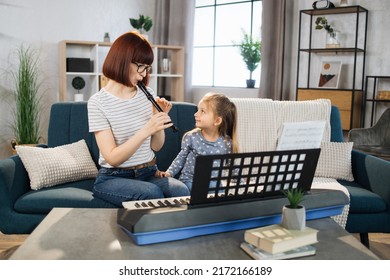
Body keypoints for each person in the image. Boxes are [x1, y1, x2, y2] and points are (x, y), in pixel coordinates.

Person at [87, 31, 190, 207]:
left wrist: (158, 118)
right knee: (152, 194)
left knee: (180, 191)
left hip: (149, 171)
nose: (144, 73)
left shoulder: (147, 94)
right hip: (113, 177)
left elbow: (156, 146)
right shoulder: (97, 102)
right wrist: (146, 130)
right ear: (123, 60)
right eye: (141, 66)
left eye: (147, 67)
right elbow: (112, 158)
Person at [156, 93, 239, 191]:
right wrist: (169, 173)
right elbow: (181, 158)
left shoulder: (227, 143)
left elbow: (232, 165)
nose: (196, 114)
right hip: (190, 181)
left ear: (217, 121)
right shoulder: (191, 137)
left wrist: (240, 182)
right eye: (198, 110)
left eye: (202, 111)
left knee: (219, 192)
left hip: (213, 182)